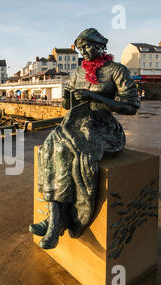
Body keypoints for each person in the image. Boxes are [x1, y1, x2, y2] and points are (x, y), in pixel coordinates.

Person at [29, 28, 140, 249]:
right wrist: (67, 100)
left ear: (101, 45)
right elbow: (69, 106)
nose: (84, 52)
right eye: (80, 48)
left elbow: (131, 106)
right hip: (76, 124)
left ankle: (58, 222)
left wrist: (94, 96)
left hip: (104, 128)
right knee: (48, 147)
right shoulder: (77, 73)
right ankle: (55, 218)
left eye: (88, 46)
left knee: (63, 151)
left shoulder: (117, 70)